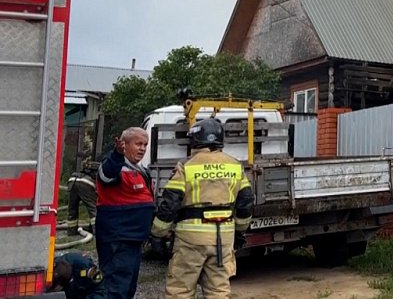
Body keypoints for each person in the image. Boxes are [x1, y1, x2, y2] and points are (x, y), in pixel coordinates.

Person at [150, 118, 253, 299]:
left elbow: (170, 203)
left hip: (191, 238)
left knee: (180, 290)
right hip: (224, 237)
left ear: (195, 139)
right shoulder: (235, 166)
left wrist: (158, 234)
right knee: (218, 290)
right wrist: (239, 230)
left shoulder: (186, 166)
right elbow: (246, 202)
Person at [95, 127, 154, 299]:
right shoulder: (115, 166)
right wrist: (116, 155)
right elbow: (107, 175)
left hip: (133, 240)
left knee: (128, 288)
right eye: (138, 144)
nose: (142, 148)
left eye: (145, 144)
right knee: (115, 289)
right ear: (124, 145)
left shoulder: (139, 170)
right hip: (118, 240)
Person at [66, 157, 98, 237]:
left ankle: (71, 231)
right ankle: (97, 231)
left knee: (72, 209)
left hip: (72, 180)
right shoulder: (100, 172)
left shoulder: (87, 169)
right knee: (93, 208)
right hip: (86, 183)